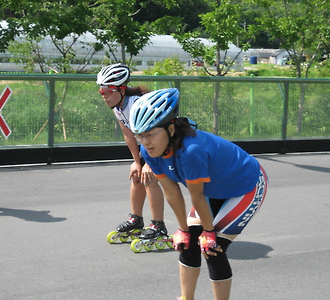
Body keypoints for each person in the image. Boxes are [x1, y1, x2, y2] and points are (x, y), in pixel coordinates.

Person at [129, 88, 268, 300]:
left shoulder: (192, 152)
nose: (145, 142)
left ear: (171, 129)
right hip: (212, 189)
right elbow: (171, 192)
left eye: (150, 134)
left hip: (245, 186)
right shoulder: (150, 152)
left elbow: (197, 196)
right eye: (140, 136)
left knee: (213, 248)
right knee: (187, 243)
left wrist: (209, 232)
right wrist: (183, 230)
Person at [96, 63, 167, 239]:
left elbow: (154, 134)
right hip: (147, 144)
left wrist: (149, 163)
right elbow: (128, 134)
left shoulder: (137, 104)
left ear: (121, 89)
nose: (104, 96)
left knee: (148, 177)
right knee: (137, 175)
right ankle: (136, 219)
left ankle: (159, 226)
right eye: (101, 92)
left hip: (163, 143)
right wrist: (137, 162)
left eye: (108, 91)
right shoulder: (118, 107)